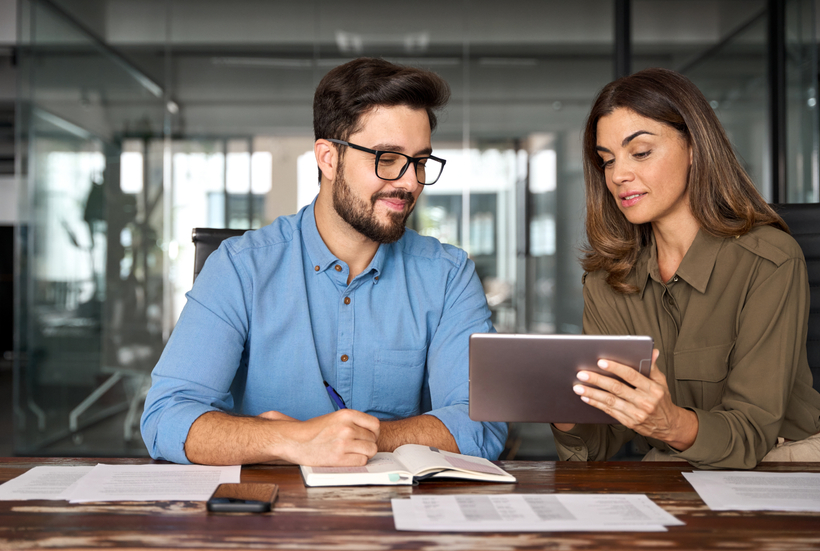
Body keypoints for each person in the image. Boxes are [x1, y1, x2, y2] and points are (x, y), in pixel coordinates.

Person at [141, 57, 508, 466]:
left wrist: (358, 438)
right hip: (268, 518)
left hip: (400, 515)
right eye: (387, 159)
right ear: (328, 158)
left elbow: (482, 425)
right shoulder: (239, 267)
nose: (410, 182)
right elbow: (167, 418)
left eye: (420, 161)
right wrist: (295, 440)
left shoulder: (447, 275)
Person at [552, 68, 820, 469]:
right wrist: (564, 408)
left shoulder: (770, 260)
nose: (619, 175)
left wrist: (669, 423)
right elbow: (598, 443)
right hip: (674, 464)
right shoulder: (608, 280)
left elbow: (752, 433)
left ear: (695, 147)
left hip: (781, 462)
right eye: (606, 161)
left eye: (640, 152)